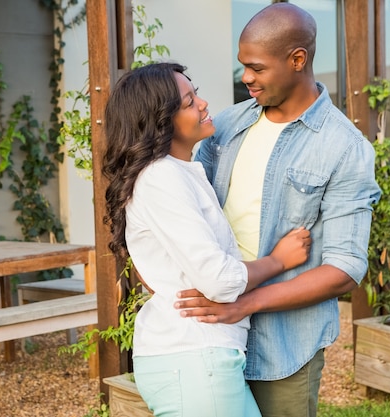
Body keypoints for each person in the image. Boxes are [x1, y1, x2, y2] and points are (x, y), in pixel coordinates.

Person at [174, 4, 381, 417]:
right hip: (209, 335)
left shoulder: (345, 147)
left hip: (284, 347)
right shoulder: (226, 126)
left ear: (297, 59)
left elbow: (344, 268)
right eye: (242, 66)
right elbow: (188, 211)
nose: (246, 77)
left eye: (256, 68)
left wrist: (244, 304)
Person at [102, 62, 312, 417]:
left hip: (200, 360)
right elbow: (219, 281)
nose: (202, 104)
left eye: (195, 92)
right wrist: (279, 260)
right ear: (160, 120)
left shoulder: (179, 173)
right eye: (188, 102)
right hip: (194, 361)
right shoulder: (161, 178)